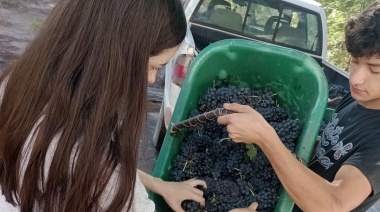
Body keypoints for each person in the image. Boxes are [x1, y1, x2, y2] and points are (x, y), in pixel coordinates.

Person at [0, 0, 212, 211]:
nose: (150, 79)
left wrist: (159, 185)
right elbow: (101, 171)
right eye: (152, 66)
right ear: (113, 55)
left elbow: (104, 167)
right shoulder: (84, 157)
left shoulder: (19, 84)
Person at [218, 1, 380, 211]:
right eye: (354, 61)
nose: (356, 79)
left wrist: (266, 137)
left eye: (375, 69)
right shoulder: (358, 98)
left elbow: (333, 204)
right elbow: (327, 154)